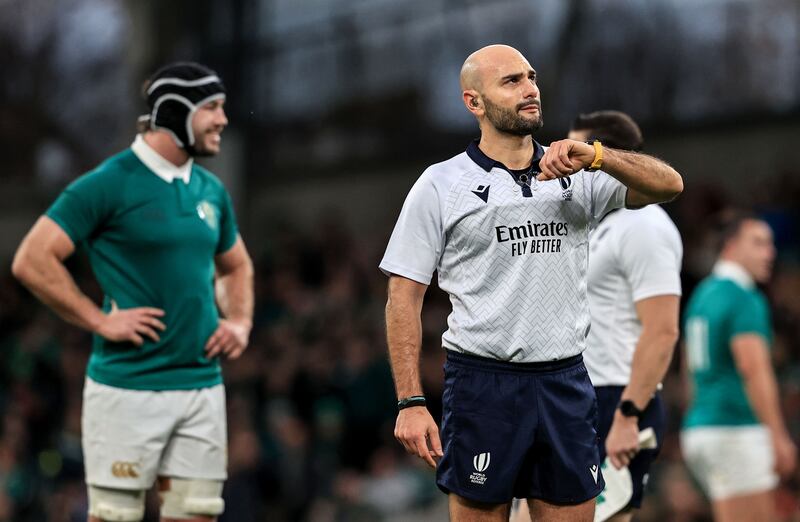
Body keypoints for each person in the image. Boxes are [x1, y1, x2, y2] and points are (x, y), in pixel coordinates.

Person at [380, 44, 683, 522]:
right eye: (511, 82)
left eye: (531, 77)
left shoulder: (579, 172)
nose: (529, 90)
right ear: (473, 102)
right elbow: (403, 297)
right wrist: (411, 401)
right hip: (483, 384)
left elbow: (669, 184)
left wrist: (599, 155)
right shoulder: (441, 184)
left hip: (565, 381)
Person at [11, 62, 254, 522]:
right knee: (115, 516)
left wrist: (239, 322)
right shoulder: (109, 183)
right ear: (175, 112)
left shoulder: (210, 189)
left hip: (201, 385)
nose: (223, 119)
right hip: (127, 387)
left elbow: (237, 265)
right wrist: (98, 320)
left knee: (196, 513)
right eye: (212, 108)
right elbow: (32, 259)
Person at [574, 111, 682, 521]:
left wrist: (628, 415)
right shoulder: (601, 221)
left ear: (605, 154)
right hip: (582, 393)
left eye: (577, 148)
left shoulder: (646, 226)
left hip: (618, 397)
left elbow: (663, 329)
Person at [680, 213, 797, 522]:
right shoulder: (744, 297)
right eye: (758, 243)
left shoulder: (702, 295)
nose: (769, 253)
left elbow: (688, 367)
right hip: (734, 429)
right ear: (730, 247)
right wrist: (777, 434)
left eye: (770, 245)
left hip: (701, 429)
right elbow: (753, 367)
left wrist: (697, 415)